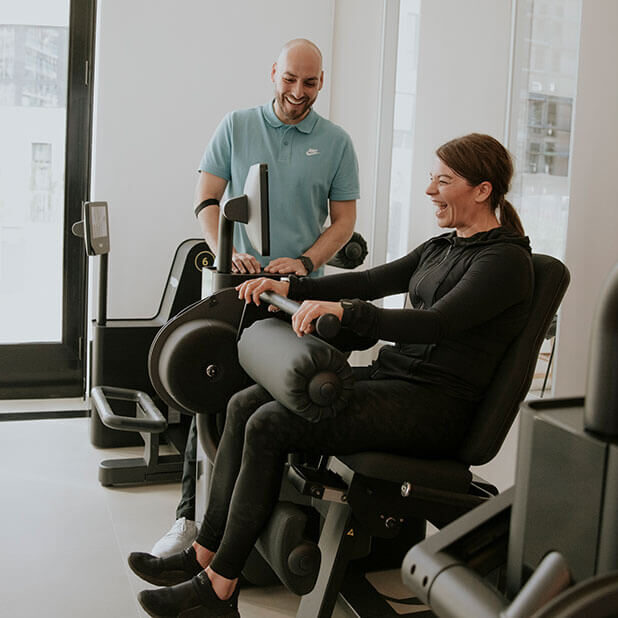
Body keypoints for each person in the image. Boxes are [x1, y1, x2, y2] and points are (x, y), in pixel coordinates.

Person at [129, 133, 534, 618]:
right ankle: (204, 552)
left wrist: (347, 313)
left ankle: (218, 586)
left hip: (436, 408)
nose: (430, 190)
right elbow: (371, 280)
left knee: (269, 424)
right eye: (432, 178)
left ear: (482, 190)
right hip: (396, 383)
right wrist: (291, 285)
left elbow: (437, 324)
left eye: (443, 181)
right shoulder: (443, 246)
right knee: (243, 403)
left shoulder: (505, 260)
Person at [150, 37, 360, 559]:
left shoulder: (336, 142)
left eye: (309, 82)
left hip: (298, 294)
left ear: (322, 82)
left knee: (274, 403)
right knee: (213, 390)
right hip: (239, 286)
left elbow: (344, 222)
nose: (298, 91)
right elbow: (207, 198)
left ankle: (262, 524)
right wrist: (227, 250)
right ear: (273, 73)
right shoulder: (237, 125)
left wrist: (305, 262)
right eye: (289, 79)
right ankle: (188, 518)